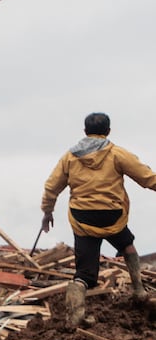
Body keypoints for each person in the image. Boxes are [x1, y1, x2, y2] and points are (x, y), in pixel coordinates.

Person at [41, 112, 156, 326]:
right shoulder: (117, 154)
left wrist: (47, 212)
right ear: (109, 131)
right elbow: (146, 177)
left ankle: (75, 316)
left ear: (85, 132)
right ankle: (139, 290)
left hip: (82, 217)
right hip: (111, 215)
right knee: (127, 244)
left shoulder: (69, 157)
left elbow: (52, 186)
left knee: (84, 273)